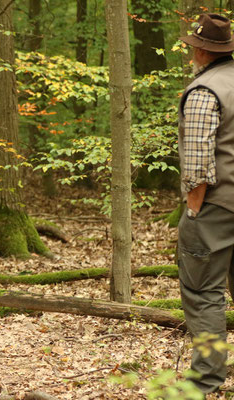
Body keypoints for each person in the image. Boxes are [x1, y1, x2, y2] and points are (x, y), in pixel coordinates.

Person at [177, 13, 234, 394]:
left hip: (216, 206)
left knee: (203, 291)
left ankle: (206, 380)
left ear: (200, 50)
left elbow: (198, 163)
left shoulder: (204, 91)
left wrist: (194, 209)